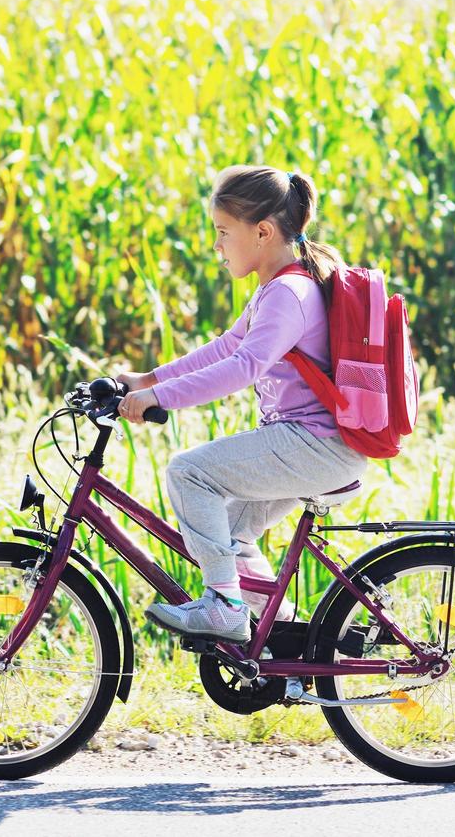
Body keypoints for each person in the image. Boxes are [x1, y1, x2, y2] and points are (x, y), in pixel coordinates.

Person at [115, 164, 367, 643]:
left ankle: (224, 607)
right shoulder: (274, 290)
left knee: (189, 472)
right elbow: (225, 347)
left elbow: (243, 366)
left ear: (263, 232)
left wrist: (157, 398)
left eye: (223, 232)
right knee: (229, 534)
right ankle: (285, 635)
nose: (217, 246)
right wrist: (146, 379)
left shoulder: (289, 293)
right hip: (309, 444)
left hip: (316, 445)